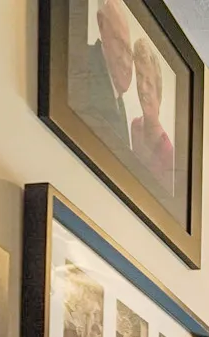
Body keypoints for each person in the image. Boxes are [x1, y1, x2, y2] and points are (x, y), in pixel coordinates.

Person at [71, 0, 135, 155]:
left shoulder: (117, 97)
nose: (125, 61)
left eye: (128, 52)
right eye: (119, 43)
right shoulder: (84, 65)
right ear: (101, 25)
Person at [128, 37, 176, 197]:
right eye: (139, 77)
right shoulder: (135, 126)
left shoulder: (169, 153)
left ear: (158, 90)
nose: (142, 88)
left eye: (149, 83)